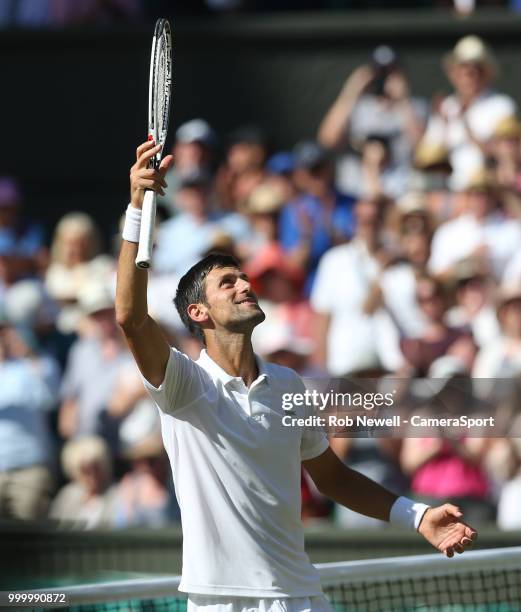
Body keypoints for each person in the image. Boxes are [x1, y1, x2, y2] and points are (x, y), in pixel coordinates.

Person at [115, 139, 478, 612]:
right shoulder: (184, 385)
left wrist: (418, 515)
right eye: (229, 282)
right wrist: (137, 207)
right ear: (198, 313)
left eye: (243, 277)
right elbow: (131, 318)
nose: (246, 284)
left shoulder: (288, 386)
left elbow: (333, 478)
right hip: (221, 603)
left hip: (302, 598)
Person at [318, 46, 426, 197]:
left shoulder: (414, 107)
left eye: (390, 72)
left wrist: (402, 101)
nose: (384, 78)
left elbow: (423, 148)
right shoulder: (357, 107)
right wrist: (350, 91)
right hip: (355, 192)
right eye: (379, 72)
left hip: (399, 192)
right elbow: (328, 140)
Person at [420, 35, 516, 191]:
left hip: (488, 192)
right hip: (449, 192)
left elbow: (502, 154)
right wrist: (442, 124)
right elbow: (428, 157)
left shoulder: (501, 105)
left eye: (474, 71)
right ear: (454, 75)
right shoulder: (447, 106)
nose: (468, 78)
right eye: (462, 71)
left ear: (485, 74)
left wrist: (464, 122)